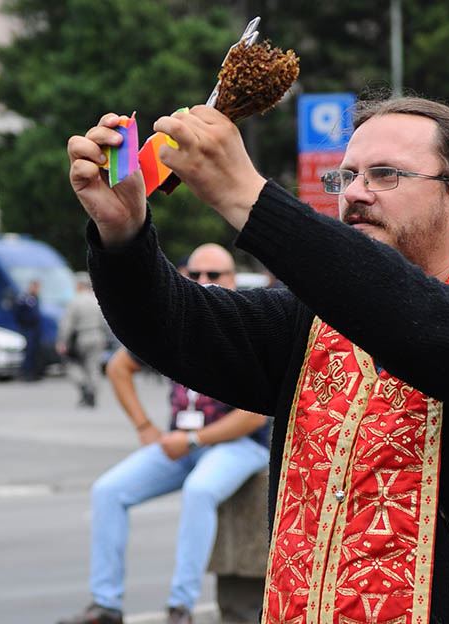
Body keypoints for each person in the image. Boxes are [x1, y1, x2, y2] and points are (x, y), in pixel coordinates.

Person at [67, 97, 449, 622]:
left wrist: (249, 196)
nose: (356, 193)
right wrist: (123, 234)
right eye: (348, 176)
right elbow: (176, 327)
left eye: (385, 175)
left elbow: (423, 326)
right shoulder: (310, 320)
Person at [57, 244, 271, 624]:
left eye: (215, 275)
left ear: (233, 280)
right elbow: (118, 368)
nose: (204, 282)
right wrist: (144, 426)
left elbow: (255, 415)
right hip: (179, 444)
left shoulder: (248, 323)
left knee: (199, 491)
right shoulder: (177, 321)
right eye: (195, 274)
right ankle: (105, 605)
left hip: (238, 446)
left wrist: (192, 441)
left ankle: (180, 607)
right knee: (108, 491)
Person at [56, 272, 109, 407]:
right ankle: (93, 394)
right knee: (94, 367)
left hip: (82, 336)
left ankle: (84, 386)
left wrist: (62, 341)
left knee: (73, 365)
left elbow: (67, 324)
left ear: (79, 285)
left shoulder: (75, 301)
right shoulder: (97, 300)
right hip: (98, 335)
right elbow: (106, 321)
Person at [15, 279, 44, 380]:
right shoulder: (24, 298)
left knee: (35, 351)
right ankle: (26, 373)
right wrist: (24, 323)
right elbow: (18, 313)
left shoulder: (35, 298)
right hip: (27, 328)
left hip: (35, 328)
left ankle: (34, 373)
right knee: (29, 351)